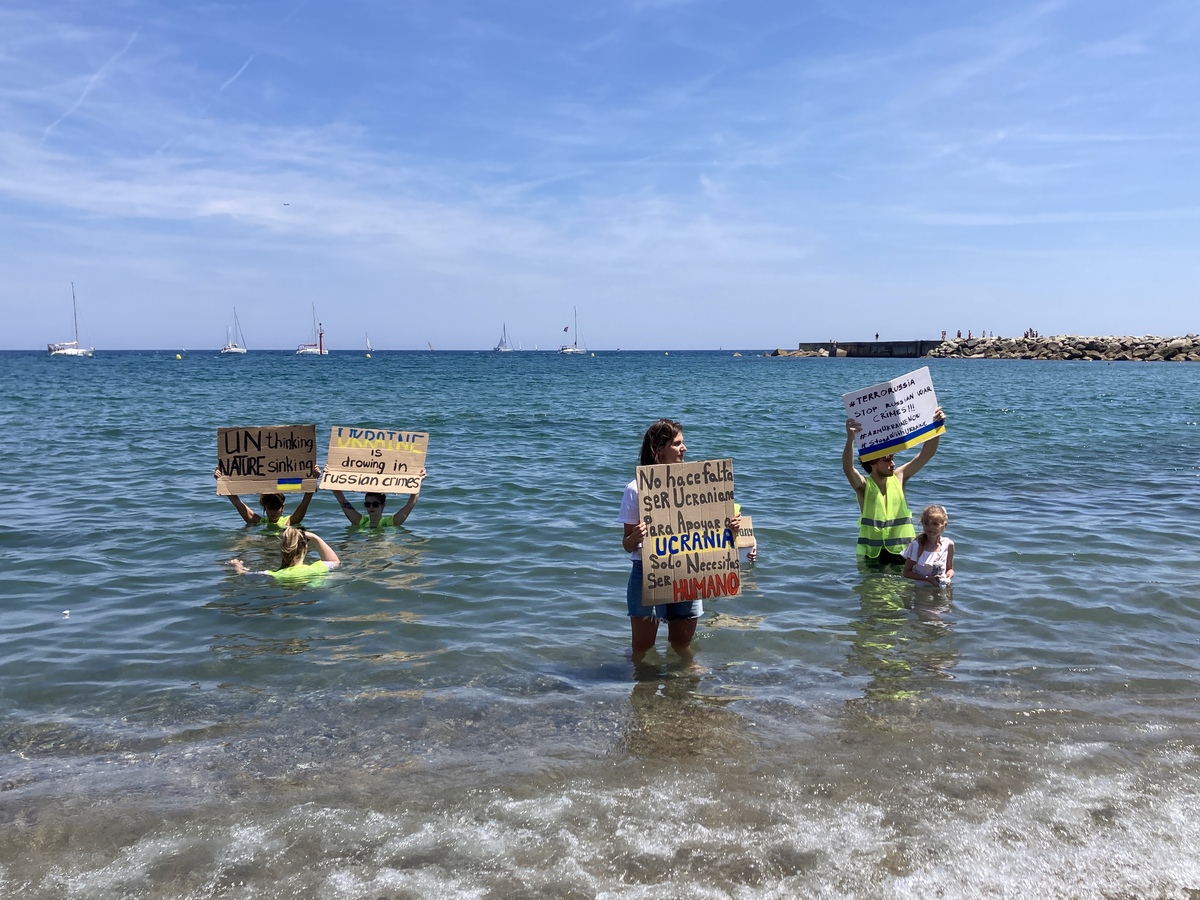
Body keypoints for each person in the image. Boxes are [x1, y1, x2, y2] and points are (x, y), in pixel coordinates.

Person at [619, 418, 742, 661]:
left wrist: (732, 528)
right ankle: (642, 684)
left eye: (682, 443)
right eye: (677, 444)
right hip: (648, 572)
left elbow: (711, 535)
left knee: (682, 646)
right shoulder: (636, 489)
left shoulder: (697, 486)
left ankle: (685, 684)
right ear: (659, 450)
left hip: (688, 568)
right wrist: (636, 536)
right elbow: (627, 545)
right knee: (641, 650)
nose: (684, 448)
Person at [842, 407, 945, 564]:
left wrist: (936, 427)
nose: (892, 463)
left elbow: (926, 454)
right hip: (873, 558)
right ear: (873, 463)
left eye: (892, 459)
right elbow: (848, 469)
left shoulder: (899, 477)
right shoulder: (864, 487)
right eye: (887, 460)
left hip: (904, 553)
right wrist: (850, 439)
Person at [215, 465, 319, 531]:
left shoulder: (289, 522)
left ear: (282, 507)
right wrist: (221, 479)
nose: (273, 512)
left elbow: (305, 502)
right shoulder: (259, 522)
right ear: (265, 508)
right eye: (270, 508)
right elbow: (237, 503)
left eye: (276, 508)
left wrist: (314, 478)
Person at [227, 526, 340, 582]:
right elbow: (334, 561)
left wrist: (237, 565)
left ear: (282, 550)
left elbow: (242, 574)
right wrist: (314, 537)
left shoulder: (273, 575)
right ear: (305, 548)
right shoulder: (317, 568)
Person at [330, 470, 425, 530]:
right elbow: (340, 498)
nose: (371, 507)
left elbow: (410, 504)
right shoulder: (360, 521)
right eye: (367, 504)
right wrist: (331, 473)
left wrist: (418, 480)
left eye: (375, 504)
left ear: (383, 505)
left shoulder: (391, 522)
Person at [902, 505, 955, 586]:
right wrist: (927, 578)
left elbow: (950, 569)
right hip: (921, 589)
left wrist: (948, 576)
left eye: (935, 524)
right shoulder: (917, 545)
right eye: (926, 524)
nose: (930, 527)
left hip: (941, 588)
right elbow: (906, 572)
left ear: (944, 525)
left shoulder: (948, 544)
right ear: (922, 524)